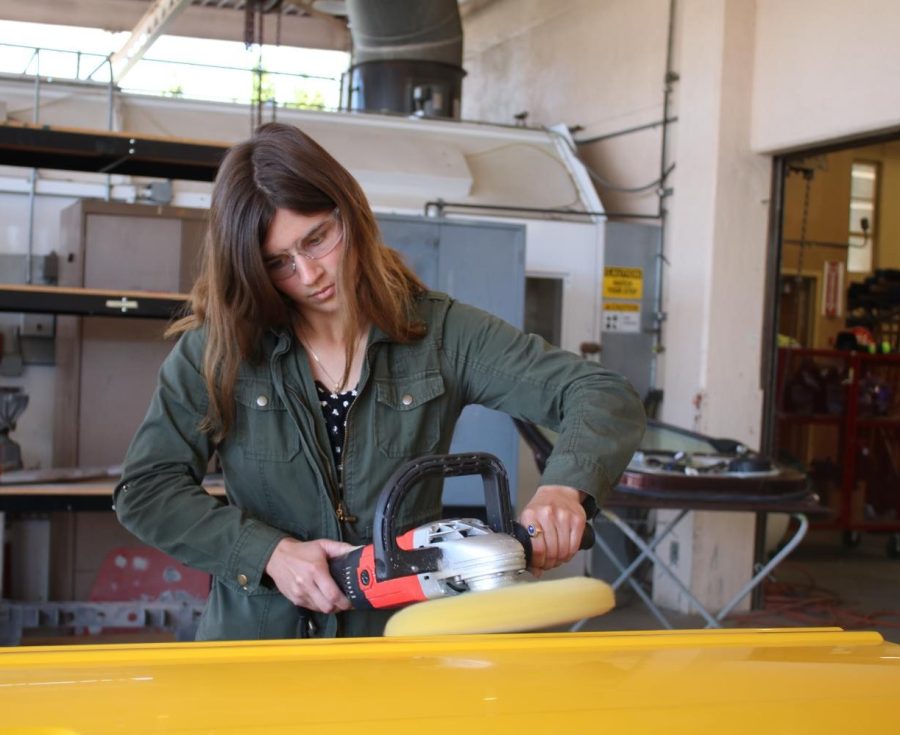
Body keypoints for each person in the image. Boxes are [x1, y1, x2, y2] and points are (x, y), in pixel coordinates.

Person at [114, 122, 646, 640]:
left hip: (398, 643)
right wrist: (268, 554)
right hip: (256, 648)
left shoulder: (439, 333)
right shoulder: (219, 348)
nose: (308, 275)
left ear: (349, 209)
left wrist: (562, 489)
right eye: (278, 262)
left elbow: (600, 394)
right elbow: (147, 489)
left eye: (317, 239)